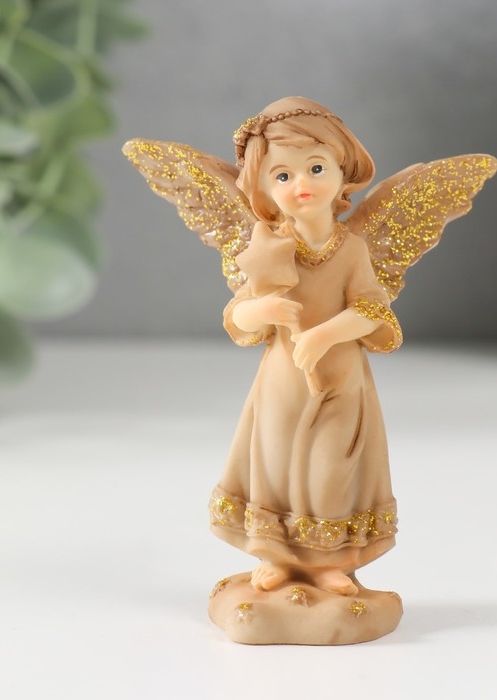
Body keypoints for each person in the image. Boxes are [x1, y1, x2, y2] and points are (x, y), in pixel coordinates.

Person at [208, 97, 402, 596]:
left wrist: (324, 334)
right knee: (275, 465)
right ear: (264, 189)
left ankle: (326, 561)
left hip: (340, 381)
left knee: (329, 468)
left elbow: (374, 312)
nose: (302, 185)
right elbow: (237, 316)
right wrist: (264, 311)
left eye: (316, 168)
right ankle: (277, 556)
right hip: (284, 382)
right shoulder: (267, 246)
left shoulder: (352, 250)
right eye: (283, 176)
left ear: (342, 173)